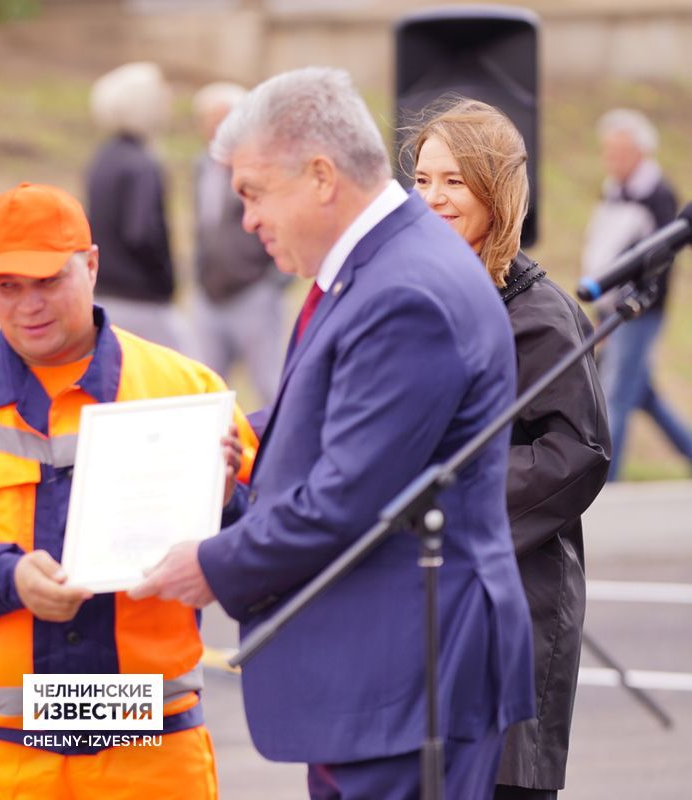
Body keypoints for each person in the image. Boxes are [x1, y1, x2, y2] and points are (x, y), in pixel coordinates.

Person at [132, 68, 535, 800]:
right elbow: (329, 424)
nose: (247, 219)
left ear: (320, 176)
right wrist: (234, 446)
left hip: (405, 678)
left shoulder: (402, 290)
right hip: (378, 676)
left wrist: (211, 564)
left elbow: (346, 498)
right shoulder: (373, 268)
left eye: (253, 193)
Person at [0, 182, 256, 799]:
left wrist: (227, 504)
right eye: (8, 287)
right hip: (8, 759)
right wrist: (9, 578)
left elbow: (271, 552)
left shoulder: (188, 393)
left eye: (48, 280)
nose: (29, 305)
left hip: (150, 753)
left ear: (93, 265)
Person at [411, 98, 611, 800]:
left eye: (454, 182)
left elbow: (577, 454)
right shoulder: (419, 296)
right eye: (423, 179)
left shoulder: (539, 314)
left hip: (513, 597)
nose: (433, 198)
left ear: (497, 191)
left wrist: (444, 494)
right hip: (428, 592)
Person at [582, 108, 692, 480]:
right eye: (608, 151)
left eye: (620, 151)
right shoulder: (612, 190)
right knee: (644, 396)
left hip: (638, 311)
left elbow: (660, 259)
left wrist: (626, 308)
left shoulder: (658, 194)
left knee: (616, 394)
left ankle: (605, 480)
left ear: (640, 153)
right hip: (608, 307)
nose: (611, 158)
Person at [86, 62, 195, 355]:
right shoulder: (141, 164)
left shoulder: (103, 158)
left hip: (106, 291)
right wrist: (166, 278)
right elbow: (142, 232)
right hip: (142, 298)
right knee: (191, 381)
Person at [190, 81, 289, 405]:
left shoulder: (262, 167)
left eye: (224, 119)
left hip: (253, 292)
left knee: (270, 385)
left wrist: (275, 282)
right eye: (210, 120)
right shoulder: (201, 166)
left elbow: (284, 218)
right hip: (209, 294)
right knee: (205, 388)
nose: (216, 128)